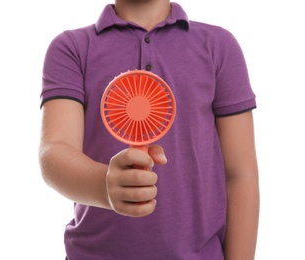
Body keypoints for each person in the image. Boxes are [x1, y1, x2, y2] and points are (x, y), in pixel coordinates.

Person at [39, 0, 260, 259]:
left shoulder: (219, 46)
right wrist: (104, 186)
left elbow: (241, 175)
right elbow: (54, 151)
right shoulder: (71, 48)